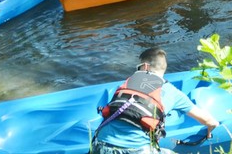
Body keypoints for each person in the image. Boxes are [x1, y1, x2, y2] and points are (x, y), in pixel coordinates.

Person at [91, 47, 219, 154]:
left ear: (145, 66)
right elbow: (209, 121)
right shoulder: (172, 92)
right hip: (136, 150)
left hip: (100, 146)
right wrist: (210, 130)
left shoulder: (127, 83)